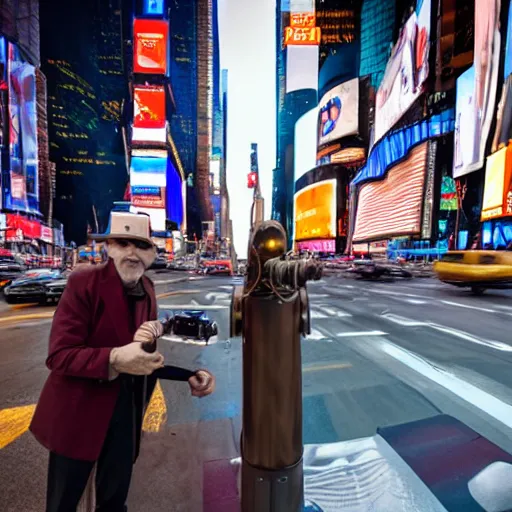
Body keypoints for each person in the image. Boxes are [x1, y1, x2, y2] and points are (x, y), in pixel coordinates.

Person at [30, 212, 215, 512]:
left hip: (124, 419)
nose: (131, 252)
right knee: (62, 504)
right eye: (123, 242)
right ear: (110, 247)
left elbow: (143, 358)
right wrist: (114, 358)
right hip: (78, 418)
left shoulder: (148, 290)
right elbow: (59, 355)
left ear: (151, 253)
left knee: (114, 503)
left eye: (140, 245)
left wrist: (189, 375)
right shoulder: (84, 282)